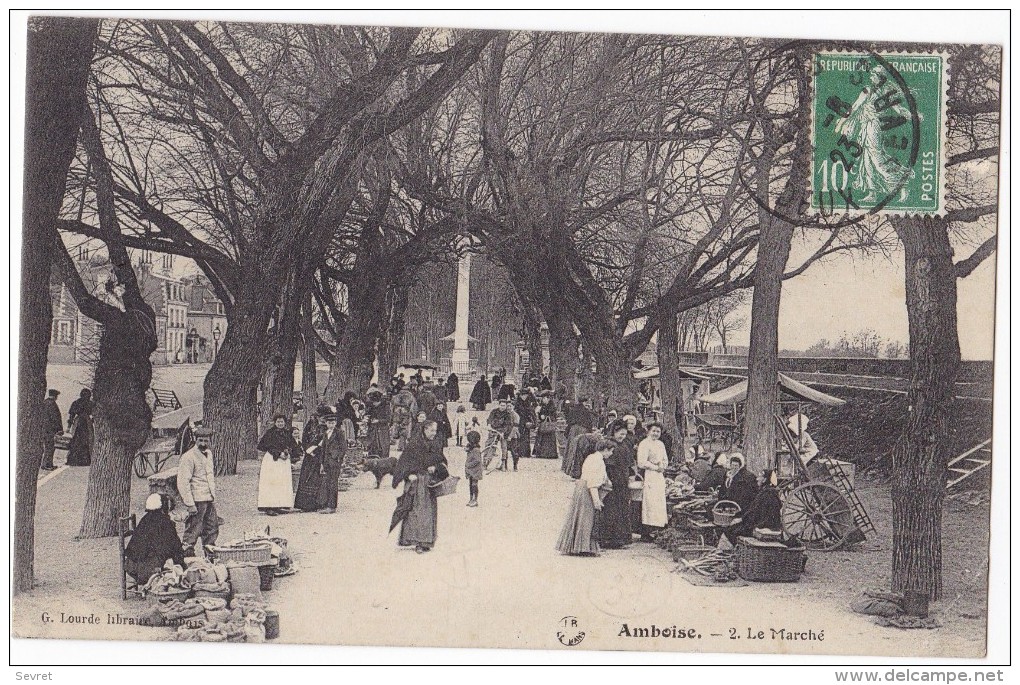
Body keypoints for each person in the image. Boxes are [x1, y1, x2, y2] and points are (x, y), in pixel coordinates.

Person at [391, 421, 447, 553]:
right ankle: (417, 542)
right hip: (416, 482)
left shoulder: (435, 443)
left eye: (435, 430)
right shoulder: (414, 444)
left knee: (428, 512)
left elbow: (442, 460)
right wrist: (408, 474)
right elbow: (404, 462)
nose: (434, 433)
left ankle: (426, 541)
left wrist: (436, 467)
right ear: (425, 430)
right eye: (432, 430)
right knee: (416, 511)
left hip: (429, 483)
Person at [555, 437, 614, 556]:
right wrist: (596, 500)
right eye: (611, 451)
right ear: (605, 449)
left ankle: (577, 545)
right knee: (587, 518)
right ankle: (584, 547)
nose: (611, 454)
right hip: (588, 490)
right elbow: (593, 483)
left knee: (580, 516)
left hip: (582, 487)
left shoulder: (592, 457)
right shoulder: (598, 461)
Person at [124, 494, 185, 584]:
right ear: (163, 507)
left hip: (130, 566)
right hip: (149, 570)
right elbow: (173, 548)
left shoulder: (145, 520)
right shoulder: (165, 522)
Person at [177, 427, 219, 555]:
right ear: (196, 440)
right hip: (197, 499)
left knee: (211, 527)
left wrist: (213, 496)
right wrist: (190, 504)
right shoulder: (188, 457)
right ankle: (187, 557)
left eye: (206, 441)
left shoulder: (209, 454)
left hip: (208, 498)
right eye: (200, 440)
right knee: (193, 530)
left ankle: (210, 556)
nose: (203, 444)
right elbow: (183, 482)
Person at [721, 469, 783, 547]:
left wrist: (741, 519)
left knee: (730, 530)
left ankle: (733, 552)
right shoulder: (766, 492)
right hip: (762, 523)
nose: (757, 479)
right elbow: (753, 509)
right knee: (732, 528)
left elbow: (754, 512)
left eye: (760, 477)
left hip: (763, 525)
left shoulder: (767, 494)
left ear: (764, 480)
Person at [599, 421, 635, 549]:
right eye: (620, 434)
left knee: (623, 509)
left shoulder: (625, 445)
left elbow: (629, 463)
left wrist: (631, 474)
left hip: (623, 481)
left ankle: (621, 538)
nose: (622, 437)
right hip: (613, 481)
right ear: (614, 432)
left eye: (624, 434)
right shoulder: (610, 445)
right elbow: (607, 465)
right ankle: (609, 539)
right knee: (611, 510)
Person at [256, 414, 298, 515]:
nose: (280, 424)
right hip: (272, 460)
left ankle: (279, 504)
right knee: (272, 482)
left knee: (282, 482)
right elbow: (263, 446)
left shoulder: (287, 433)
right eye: (278, 422)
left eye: (282, 422)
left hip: (284, 461)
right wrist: (278, 453)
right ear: (275, 423)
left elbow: (294, 446)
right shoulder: (270, 433)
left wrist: (288, 451)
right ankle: (269, 506)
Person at [636, 423, 669, 540]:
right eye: (653, 431)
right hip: (649, 475)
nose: (655, 433)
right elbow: (641, 462)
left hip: (659, 476)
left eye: (658, 432)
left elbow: (665, 459)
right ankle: (646, 531)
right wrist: (655, 467)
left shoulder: (661, 444)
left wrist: (663, 466)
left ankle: (658, 529)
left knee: (658, 502)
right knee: (649, 502)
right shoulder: (644, 444)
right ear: (648, 432)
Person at [294, 409, 329, 512]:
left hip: (320, 456)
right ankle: (305, 505)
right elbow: (304, 438)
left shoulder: (326, 427)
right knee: (307, 478)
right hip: (310, 456)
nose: (321, 419)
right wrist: (308, 450)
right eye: (320, 417)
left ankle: (319, 503)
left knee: (319, 479)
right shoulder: (310, 425)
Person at [317, 413, 346, 514]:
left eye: (333, 423)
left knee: (333, 483)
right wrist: (322, 463)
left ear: (336, 423)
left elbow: (343, 447)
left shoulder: (339, 433)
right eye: (329, 423)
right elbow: (323, 449)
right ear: (326, 423)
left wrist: (338, 459)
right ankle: (326, 504)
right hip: (326, 462)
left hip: (334, 462)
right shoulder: (326, 433)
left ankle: (332, 506)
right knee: (327, 483)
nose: (331, 425)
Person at [65, 389, 94, 467]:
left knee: (76, 441)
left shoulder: (76, 403)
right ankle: (85, 461)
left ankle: (73, 460)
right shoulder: (90, 403)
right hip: (87, 423)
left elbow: (71, 416)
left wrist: (68, 427)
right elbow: (94, 416)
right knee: (86, 441)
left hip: (78, 423)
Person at [485, 399, 514, 470]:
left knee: (504, 447)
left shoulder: (507, 414)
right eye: (501, 405)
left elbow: (507, 425)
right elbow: (490, 419)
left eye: (504, 406)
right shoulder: (494, 411)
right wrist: (489, 425)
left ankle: (503, 464)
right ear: (499, 405)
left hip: (503, 432)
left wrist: (503, 432)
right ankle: (485, 463)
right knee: (489, 445)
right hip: (494, 430)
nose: (503, 407)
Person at [365, 389, 392, 459]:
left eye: (375, 402)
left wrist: (378, 421)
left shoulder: (386, 407)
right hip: (373, 430)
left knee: (383, 448)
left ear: (379, 401)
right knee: (372, 447)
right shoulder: (372, 406)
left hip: (382, 431)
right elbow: (369, 415)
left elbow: (388, 419)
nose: (373, 404)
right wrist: (368, 419)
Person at [40, 389, 63, 471]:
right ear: (55, 396)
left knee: (46, 447)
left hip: (43, 428)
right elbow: (55, 418)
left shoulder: (44, 402)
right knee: (50, 447)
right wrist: (59, 429)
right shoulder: (52, 404)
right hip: (50, 429)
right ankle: (47, 464)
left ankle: (45, 464)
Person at [390, 386, 418, 451]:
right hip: (406, 414)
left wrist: (392, 416)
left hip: (396, 414)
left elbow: (391, 407)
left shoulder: (395, 397)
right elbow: (413, 408)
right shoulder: (411, 397)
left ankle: (398, 443)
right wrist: (413, 416)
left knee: (396, 428)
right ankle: (402, 446)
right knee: (404, 429)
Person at [533, 393, 559, 459]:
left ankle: (550, 454)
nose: (543, 400)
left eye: (544, 398)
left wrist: (546, 417)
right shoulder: (543, 406)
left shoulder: (552, 406)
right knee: (542, 439)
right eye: (542, 398)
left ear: (548, 398)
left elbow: (554, 416)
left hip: (548, 425)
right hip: (544, 425)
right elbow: (540, 414)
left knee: (548, 440)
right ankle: (541, 453)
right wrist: (540, 415)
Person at [464, 430, 483, 507]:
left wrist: (468, 465)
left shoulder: (476, 450)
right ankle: (471, 499)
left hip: (475, 471)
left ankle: (475, 500)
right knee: (471, 485)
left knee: (474, 485)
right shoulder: (473, 448)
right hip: (472, 471)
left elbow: (477, 460)